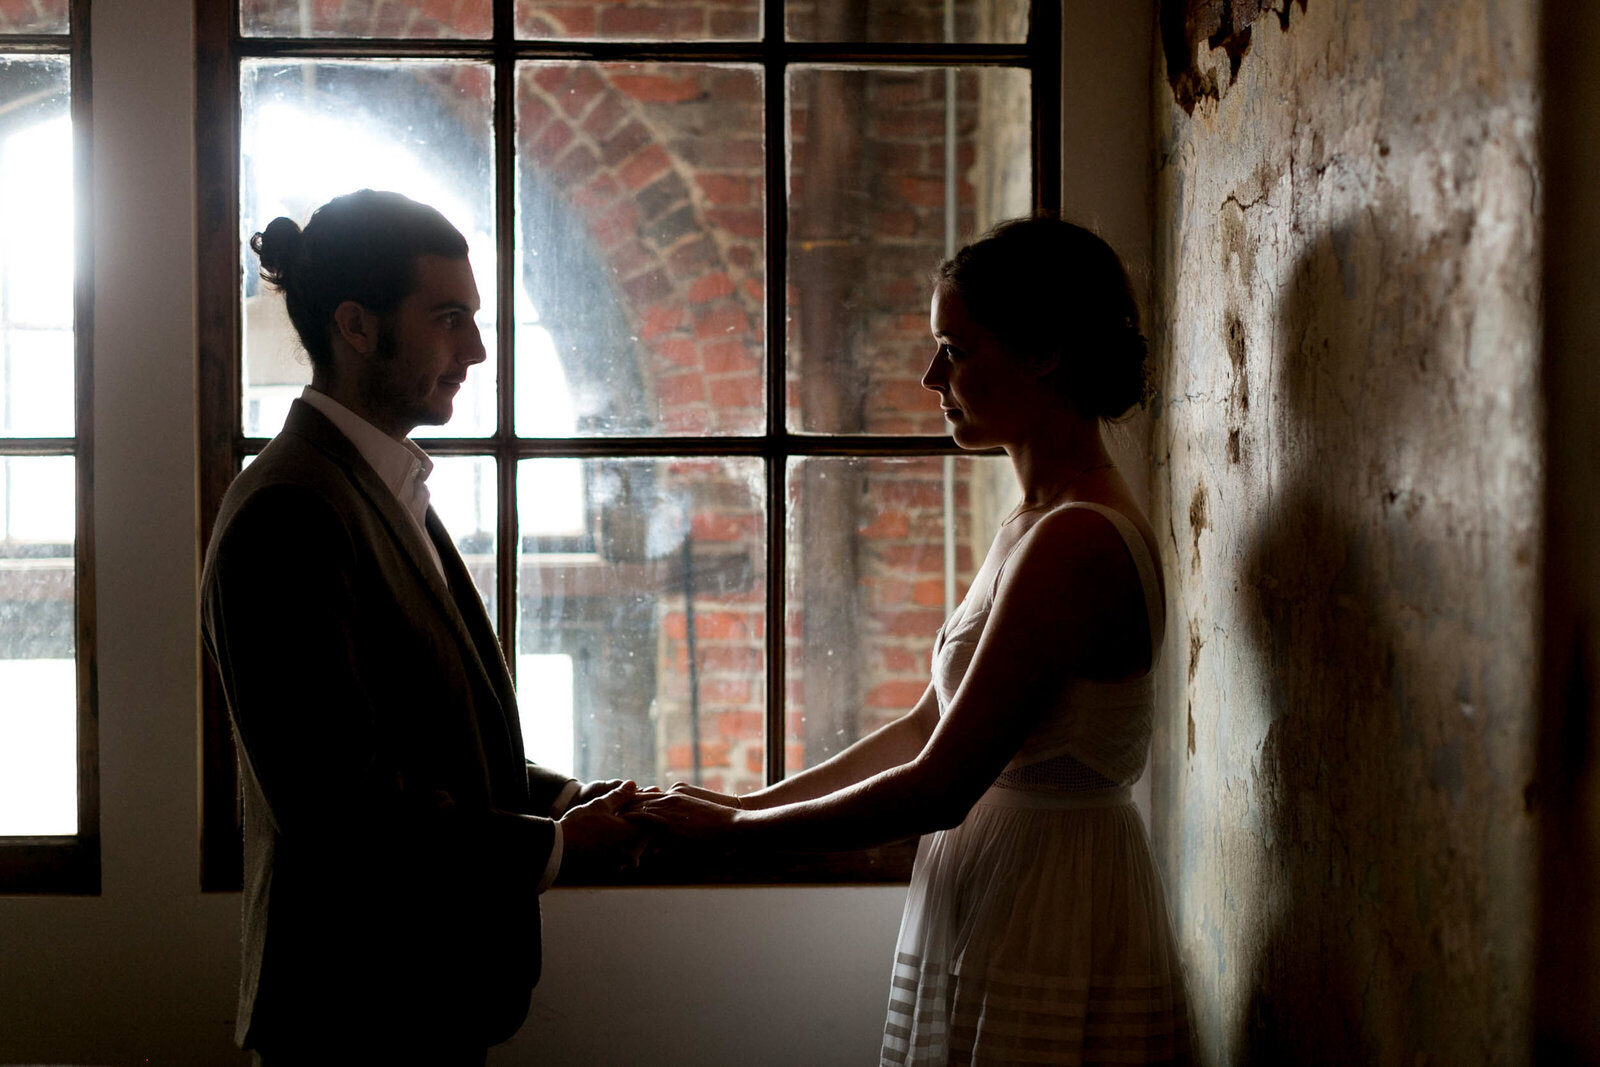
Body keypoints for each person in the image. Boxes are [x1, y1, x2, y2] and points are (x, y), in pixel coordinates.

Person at [632, 215, 1191, 1065]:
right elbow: (928, 722)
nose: (932, 375)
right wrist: (748, 804)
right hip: (1009, 879)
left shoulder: (1077, 540)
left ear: (1042, 352)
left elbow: (939, 783)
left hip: (1050, 899)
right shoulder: (1032, 521)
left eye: (955, 350)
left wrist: (739, 836)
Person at [199, 189, 639, 1065]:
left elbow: (424, 727)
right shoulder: (291, 510)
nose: (476, 349)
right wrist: (553, 847)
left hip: (416, 1006)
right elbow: (341, 811)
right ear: (356, 326)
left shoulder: (378, 482)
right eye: (449, 319)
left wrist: (565, 797)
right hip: (354, 1018)